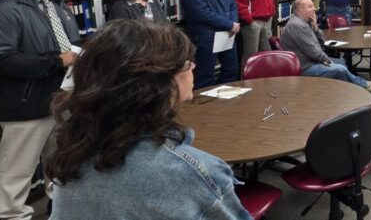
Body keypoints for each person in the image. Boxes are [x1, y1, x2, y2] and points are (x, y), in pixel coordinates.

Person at [45, 19, 249, 219]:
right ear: (159, 83)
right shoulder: (195, 172)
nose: (194, 67)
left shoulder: (70, 154)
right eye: (187, 64)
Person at [0, 0, 80, 219]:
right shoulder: (4, 11)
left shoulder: (56, 6)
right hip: (25, 106)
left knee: (60, 163)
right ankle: (13, 216)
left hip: (61, 99)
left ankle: (57, 209)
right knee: (17, 171)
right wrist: (55, 61)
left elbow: (69, 43)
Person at [280, 0, 371, 92]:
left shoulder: (305, 23)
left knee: (341, 62)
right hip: (305, 67)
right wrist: (327, 60)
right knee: (340, 69)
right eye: (310, 6)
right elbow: (313, 53)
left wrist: (315, 27)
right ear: (300, 9)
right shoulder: (297, 25)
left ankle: (345, 90)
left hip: (312, 61)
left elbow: (323, 42)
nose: (314, 9)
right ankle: (362, 86)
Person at [181, 0, 241, 88]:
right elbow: (201, 13)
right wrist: (229, 24)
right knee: (205, 76)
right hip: (207, 37)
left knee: (231, 71)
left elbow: (232, 4)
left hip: (228, 33)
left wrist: (234, 23)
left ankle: (227, 104)